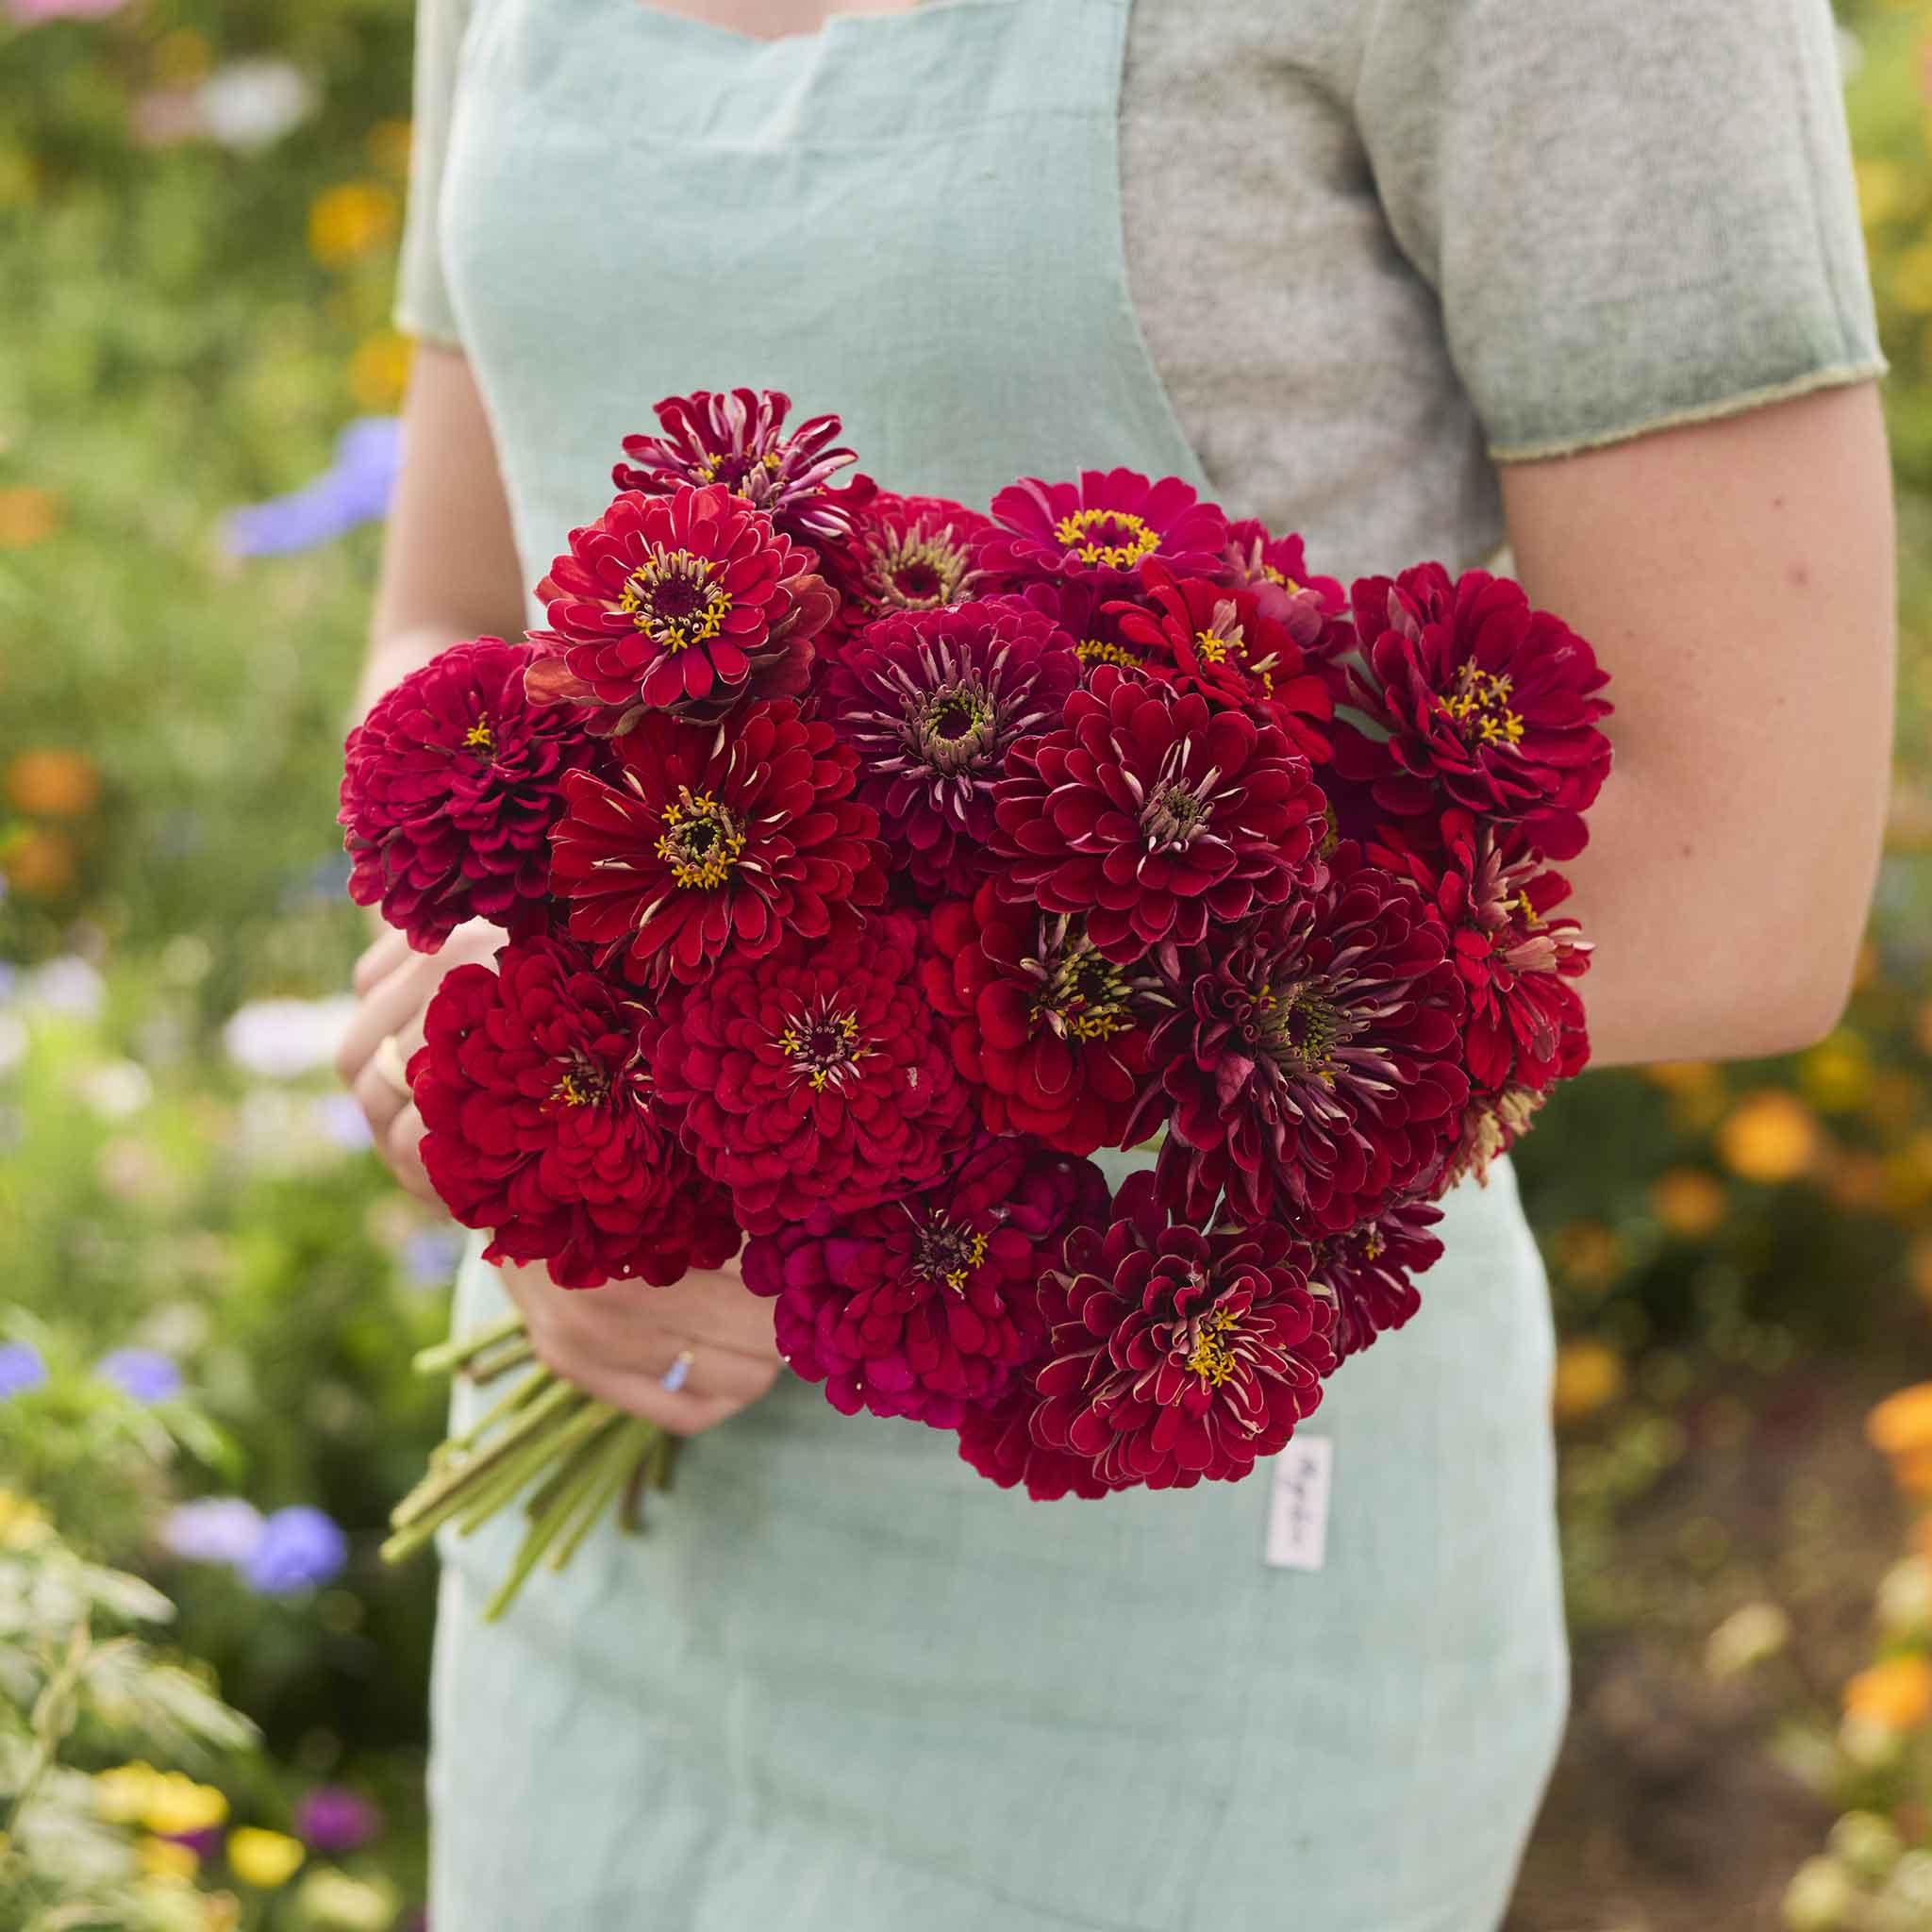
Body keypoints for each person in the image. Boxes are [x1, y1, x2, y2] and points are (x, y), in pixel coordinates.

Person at [335, 1, 1897, 1924]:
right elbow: (459, 610)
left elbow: (1747, 866)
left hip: (1181, 1481)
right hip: (616, 1490)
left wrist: (823, 1115)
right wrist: (511, 1055)